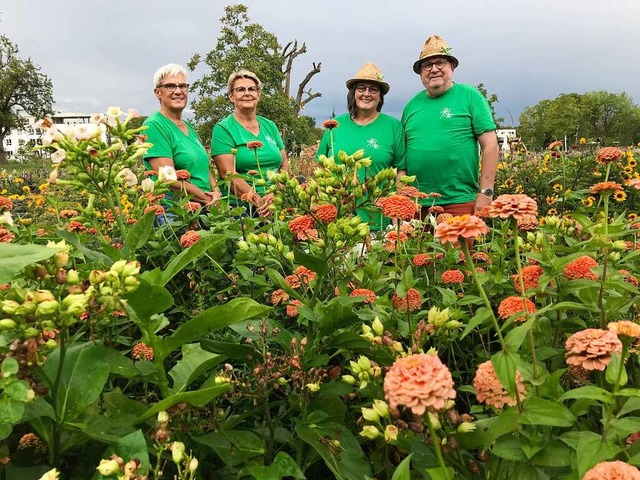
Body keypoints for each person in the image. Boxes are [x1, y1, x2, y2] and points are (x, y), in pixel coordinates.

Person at [402, 35, 499, 219]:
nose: (434, 69)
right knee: (417, 249)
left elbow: (491, 145)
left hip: (459, 202)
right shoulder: (411, 106)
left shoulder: (469, 96)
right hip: (417, 205)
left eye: (440, 62)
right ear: (420, 72)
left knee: (458, 249)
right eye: (427, 65)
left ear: (452, 67)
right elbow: (402, 156)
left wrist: (486, 193)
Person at [316, 63, 406, 231]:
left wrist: (396, 212)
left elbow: (400, 171)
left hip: (379, 219)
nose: (366, 94)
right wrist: (321, 207)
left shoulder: (393, 126)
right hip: (338, 218)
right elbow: (321, 169)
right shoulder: (334, 125)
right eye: (361, 88)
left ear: (380, 97)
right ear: (353, 94)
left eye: (373, 89)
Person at [211, 69, 289, 217]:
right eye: (240, 89)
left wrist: (276, 195)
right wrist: (258, 201)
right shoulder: (223, 129)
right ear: (231, 96)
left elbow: (284, 164)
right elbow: (227, 174)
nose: (247, 93)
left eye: (251, 89)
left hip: (277, 200)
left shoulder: (270, 126)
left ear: (258, 94)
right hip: (244, 207)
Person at [143, 63, 221, 208]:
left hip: (203, 206)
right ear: (157, 92)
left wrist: (216, 190)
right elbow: (167, 178)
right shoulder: (154, 126)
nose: (178, 91)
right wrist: (206, 199)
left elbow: (204, 167)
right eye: (171, 86)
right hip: (177, 211)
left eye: (183, 86)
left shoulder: (188, 127)